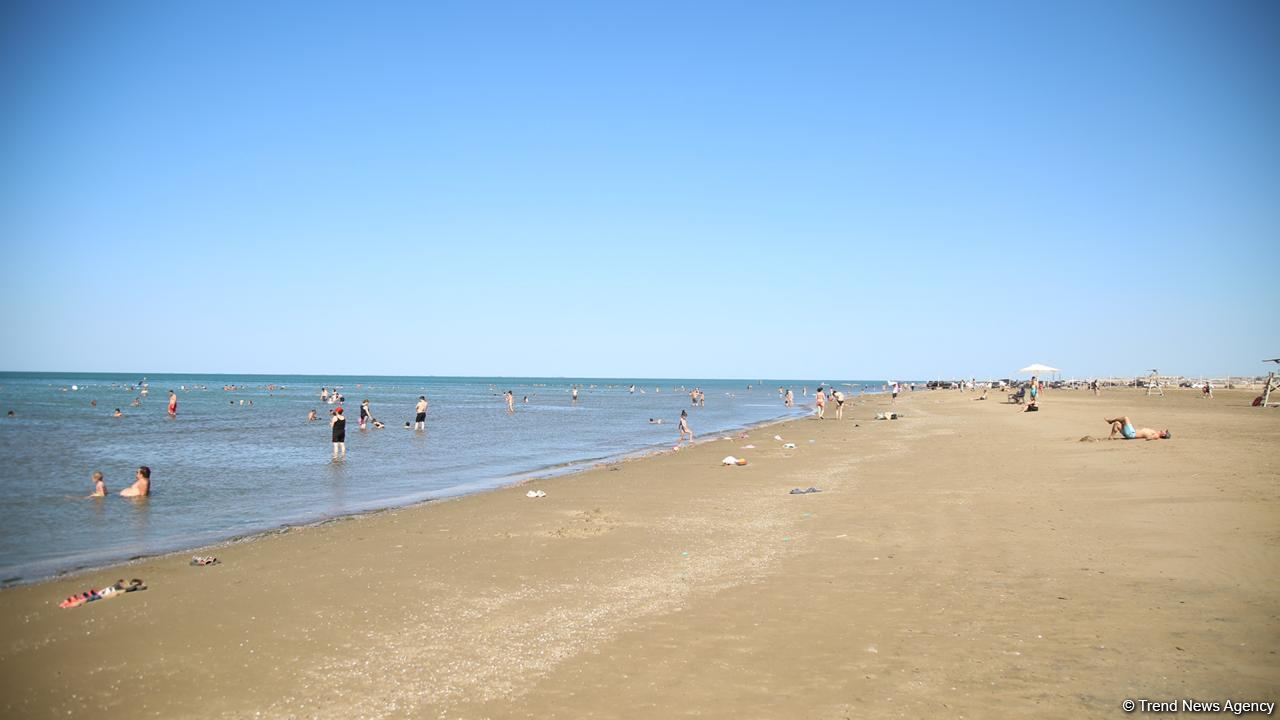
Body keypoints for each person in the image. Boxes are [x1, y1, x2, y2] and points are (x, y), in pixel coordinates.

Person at [1104, 416, 1171, 441]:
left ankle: (1110, 421)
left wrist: (1153, 437)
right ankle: (1111, 437)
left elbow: (1148, 438)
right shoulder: (1155, 432)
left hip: (1132, 434)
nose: (1164, 430)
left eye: (1165, 431)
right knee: (1117, 423)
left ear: (1163, 435)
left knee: (1125, 418)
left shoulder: (1156, 435)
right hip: (1130, 433)